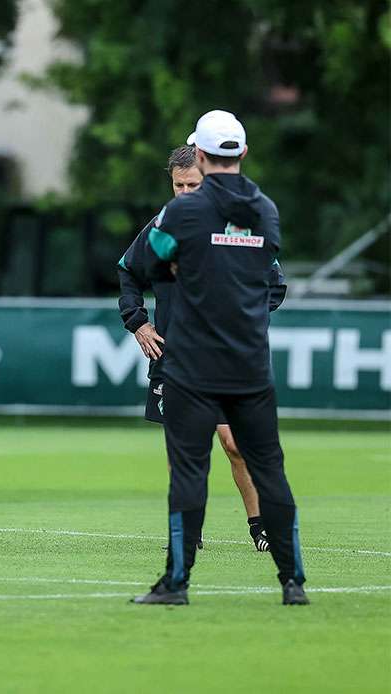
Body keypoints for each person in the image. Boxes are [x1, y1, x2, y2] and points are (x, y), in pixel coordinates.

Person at [132, 110, 307, 606]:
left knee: (189, 470)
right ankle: (292, 581)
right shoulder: (266, 211)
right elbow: (264, 271)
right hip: (249, 361)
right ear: (243, 154)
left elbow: (152, 261)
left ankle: (177, 583)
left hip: (193, 362)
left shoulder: (181, 212)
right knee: (268, 467)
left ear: (201, 156)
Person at [118, 144, 286, 552]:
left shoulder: (235, 224)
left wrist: (238, 323)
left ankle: (261, 525)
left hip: (226, 357)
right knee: (185, 450)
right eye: (179, 185)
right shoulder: (164, 225)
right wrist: (137, 322)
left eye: (193, 184)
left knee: (233, 444)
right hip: (175, 357)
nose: (185, 192)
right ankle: (187, 535)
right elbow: (128, 270)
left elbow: (275, 286)